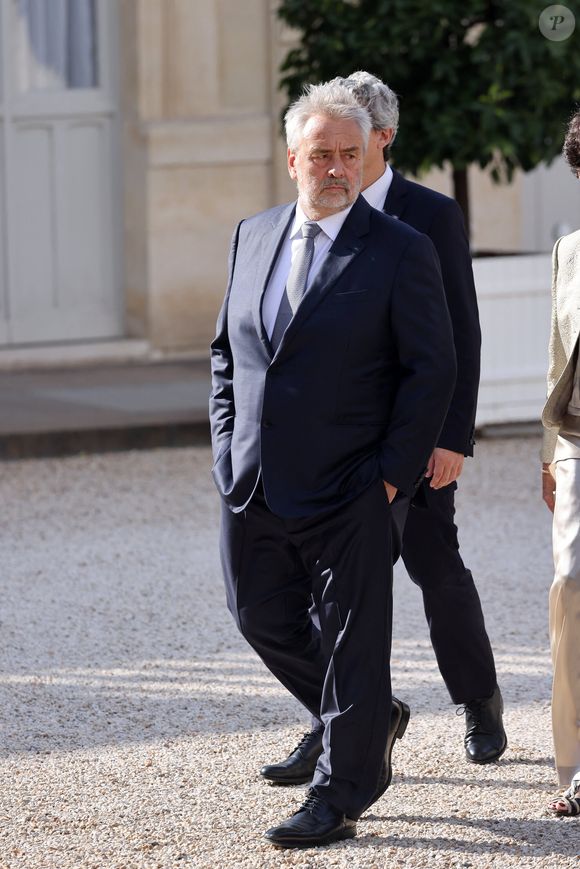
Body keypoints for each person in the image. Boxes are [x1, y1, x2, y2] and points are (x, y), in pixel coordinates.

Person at [210, 81, 456, 848]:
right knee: (258, 613)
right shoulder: (253, 235)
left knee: (354, 638)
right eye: (322, 155)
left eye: (352, 153)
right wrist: (225, 445)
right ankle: (366, 717)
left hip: (352, 483)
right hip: (250, 480)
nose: (338, 168)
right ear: (293, 159)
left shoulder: (400, 250)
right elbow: (227, 355)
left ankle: (342, 791)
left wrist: (390, 475)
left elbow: (432, 370)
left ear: (369, 154)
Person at [263, 71, 506, 785]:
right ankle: (332, 723)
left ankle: (479, 701)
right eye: (327, 141)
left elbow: (459, 333)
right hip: (336, 451)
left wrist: (451, 436)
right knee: (325, 594)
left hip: (415, 437)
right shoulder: (307, 215)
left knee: (436, 567)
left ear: (381, 138)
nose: (340, 152)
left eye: (355, 138)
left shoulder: (429, 215)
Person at [541, 107, 580, 818]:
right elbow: (557, 358)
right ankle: (576, 767)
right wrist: (548, 458)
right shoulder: (568, 251)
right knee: (571, 585)